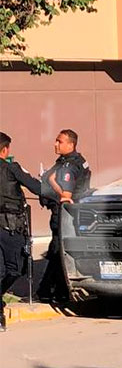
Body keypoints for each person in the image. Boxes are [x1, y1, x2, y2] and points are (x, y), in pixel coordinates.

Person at [37, 130, 91, 303]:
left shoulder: (69, 165)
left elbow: (65, 195)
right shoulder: (74, 161)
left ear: (71, 144)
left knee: (58, 252)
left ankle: (53, 291)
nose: (56, 144)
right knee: (57, 251)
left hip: (63, 214)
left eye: (59, 141)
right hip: (70, 214)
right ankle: (52, 290)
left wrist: (51, 182)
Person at [1, 132, 42, 331]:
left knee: (5, 270)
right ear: (5, 150)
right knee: (14, 269)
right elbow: (36, 187)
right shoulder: (12, 168)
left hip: (8, 226)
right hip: (10, 228)